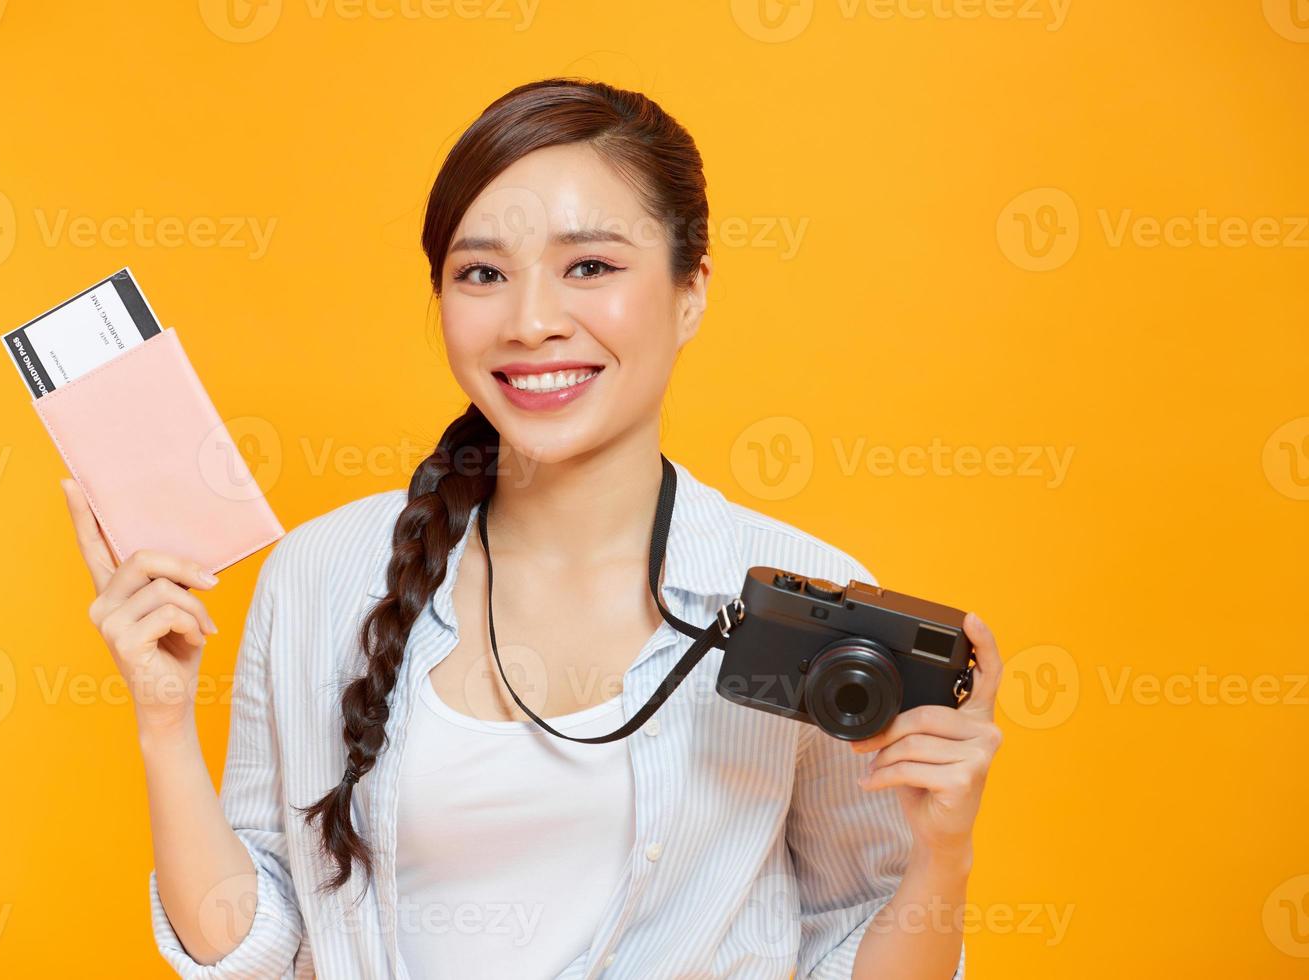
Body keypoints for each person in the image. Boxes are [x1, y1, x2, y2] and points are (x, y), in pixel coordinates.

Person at [62, 77, 1003, 980]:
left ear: (692, 291)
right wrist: (162, 719)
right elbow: (251, 954)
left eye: (589, 266)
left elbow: (854, 954)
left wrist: (941, 854)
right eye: (482, 274)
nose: (532, 320)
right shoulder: (321, 576)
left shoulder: (807, 599)